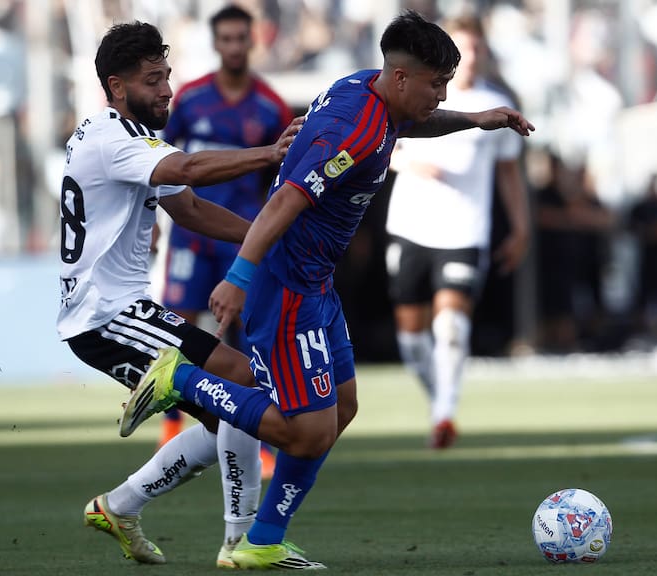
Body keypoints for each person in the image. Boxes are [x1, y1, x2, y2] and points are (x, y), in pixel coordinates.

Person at [121, 10, 534, 569]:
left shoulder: (370, 90)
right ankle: (185, 379)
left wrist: (475, 119)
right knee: (303, 430)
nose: (442, 94)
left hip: (316, 282)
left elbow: (412, 123)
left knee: (341, 409)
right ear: (404, 77)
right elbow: (287, 199)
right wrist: (240, 279)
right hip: (287, 284)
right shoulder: (353, 130)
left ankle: (263, 541)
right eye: (437, 84)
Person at [57, 20, 301, 566]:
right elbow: (189, 166)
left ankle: (119, 507)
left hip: (116, 312)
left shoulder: (127, 137)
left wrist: (263, 235)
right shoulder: (113, 141)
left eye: (167, 76)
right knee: (242, 385)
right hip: (106, 316)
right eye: (152, 80)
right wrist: (267, 154)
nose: (167, 89)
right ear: (118, 87)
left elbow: (187, 206)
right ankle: (245, 545)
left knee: (232, 415)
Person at [156, 5, 292, 477]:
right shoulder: (189, 100)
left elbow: (284, 181)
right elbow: (156, 164)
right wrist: (151, 219)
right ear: (216, 43)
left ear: (252, 41)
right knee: (177, 325)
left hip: (242, 239)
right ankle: (172, 426)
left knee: (248, 333)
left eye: (241, 38)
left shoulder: (272, 106)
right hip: (190, 237)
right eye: (226, 38)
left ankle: (258, 429)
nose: (234, 46)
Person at [384, 14, 529, 449]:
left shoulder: (496, 104)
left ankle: (445, 415)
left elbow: (508, 175)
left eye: (478, 50)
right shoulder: (411, 96)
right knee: (411, 341)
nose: (472, 59)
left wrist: (521, 228)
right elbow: (380, 143)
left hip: (465, 230)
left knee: (450, 326)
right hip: (409, 226)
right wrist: (409, 162)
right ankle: (439, 403)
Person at [627, 172, 657, 343]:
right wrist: (651, 232)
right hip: (645, 259)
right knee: (643, 297)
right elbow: (631, 229)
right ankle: (641, 331)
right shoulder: (640, 207)